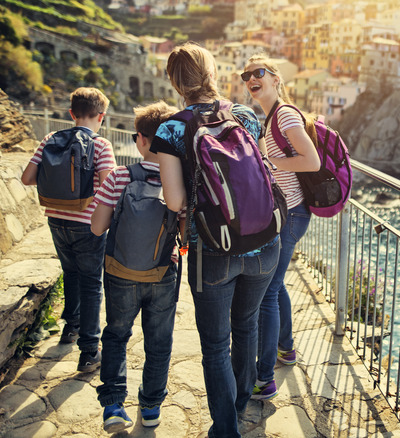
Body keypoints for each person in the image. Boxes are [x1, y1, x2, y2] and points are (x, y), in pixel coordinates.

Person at [152, 43, 280, 438]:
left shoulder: (171, 128)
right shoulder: (243, 115)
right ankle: (241, 403)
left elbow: (174, 200)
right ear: (211, 72)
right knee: (246, 327)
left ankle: (225, 429)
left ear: (175, 82)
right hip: (263, 241)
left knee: (214, 346)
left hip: (212, 248)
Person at [90, 101, 181, 433]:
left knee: (116, 335)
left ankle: (114, 405)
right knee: (159, 342)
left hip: (120, 273)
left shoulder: (119, 177)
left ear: (140, 140)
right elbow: (184, 235)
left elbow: (98, 228)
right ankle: (152, 406)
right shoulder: (178, 186)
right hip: (162, 274)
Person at [21, 87, 116, 373]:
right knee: (91, 283)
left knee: (70, 273)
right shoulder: (101, 145)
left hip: (56, 221)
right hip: (87, 225)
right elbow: (111, 184)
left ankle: (70, 328)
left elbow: (27, 178)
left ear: (71, 113)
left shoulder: (50, 139)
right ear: (102, 116)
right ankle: (89, 352)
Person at [242, 54, 320, 400]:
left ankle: (265, 379)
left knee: (268, 292)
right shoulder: (269, 116)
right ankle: (285, 348)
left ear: (275, 78)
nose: (250, 79)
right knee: (276, 285)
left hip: (293, 214)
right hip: (288, 211)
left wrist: (269, 159)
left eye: (257, 73)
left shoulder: (284, 114)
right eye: (246, 76)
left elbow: (311, 160)